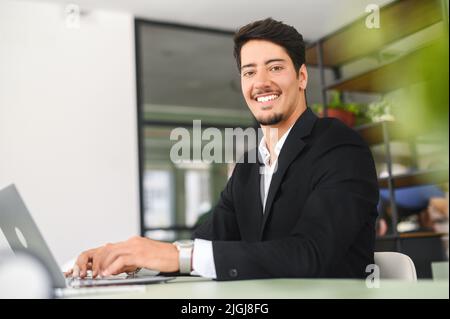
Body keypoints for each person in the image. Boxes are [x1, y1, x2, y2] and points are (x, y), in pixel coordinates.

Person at [66, 18, 379, 281]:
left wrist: (175, 255)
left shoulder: (339, 147)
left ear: (301, 77)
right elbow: (208, 243)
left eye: (275, 67)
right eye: (249, 71)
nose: (261, 82)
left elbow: (310, 255)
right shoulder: (248, 167)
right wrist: (139, 256)